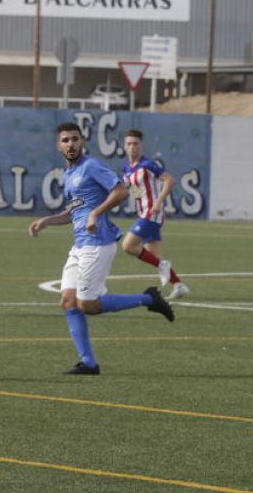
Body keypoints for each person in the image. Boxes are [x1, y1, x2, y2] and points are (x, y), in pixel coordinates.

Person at [28, 122, 176, 375]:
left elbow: (121, 192)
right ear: (59, 145)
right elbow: (74, 211)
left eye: (75, 139)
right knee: (68, 302)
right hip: (80, 245)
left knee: (88, 305)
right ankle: (88, 363)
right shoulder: (69, 175)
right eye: (65, 140)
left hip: (97, 243)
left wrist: (96, 213)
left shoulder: (91, 166)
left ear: (82, 141)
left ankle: (149, 298)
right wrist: (47, 221)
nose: (71, 144)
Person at [120, 129, 189, 299]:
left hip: (151, 213)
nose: (132, 147)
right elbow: (127, 189)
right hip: (143, 213)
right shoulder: (127, 168)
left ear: (141, 146)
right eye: (129, 144)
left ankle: (163, 266)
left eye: (135, 143)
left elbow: (169, 180)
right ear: (124, 146)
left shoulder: (148, 165)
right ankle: (178, 285)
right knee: (154, 257)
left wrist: (158, 201)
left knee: (128, 246)